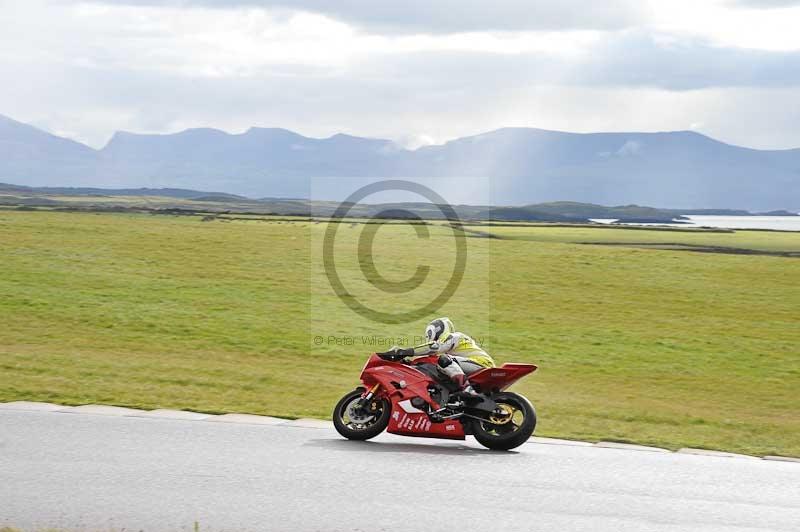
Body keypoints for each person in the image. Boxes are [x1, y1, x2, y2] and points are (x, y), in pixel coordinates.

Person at [393, 317, 495, 396]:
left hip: (482, 363)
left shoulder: (455, 337)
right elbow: (429, 359)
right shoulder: (447, 348)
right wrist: (408, 363)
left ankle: (467, 389)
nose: (433, 339)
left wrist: (405, 352)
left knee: (444, 360)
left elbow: (435, 348)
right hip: (471, 366)